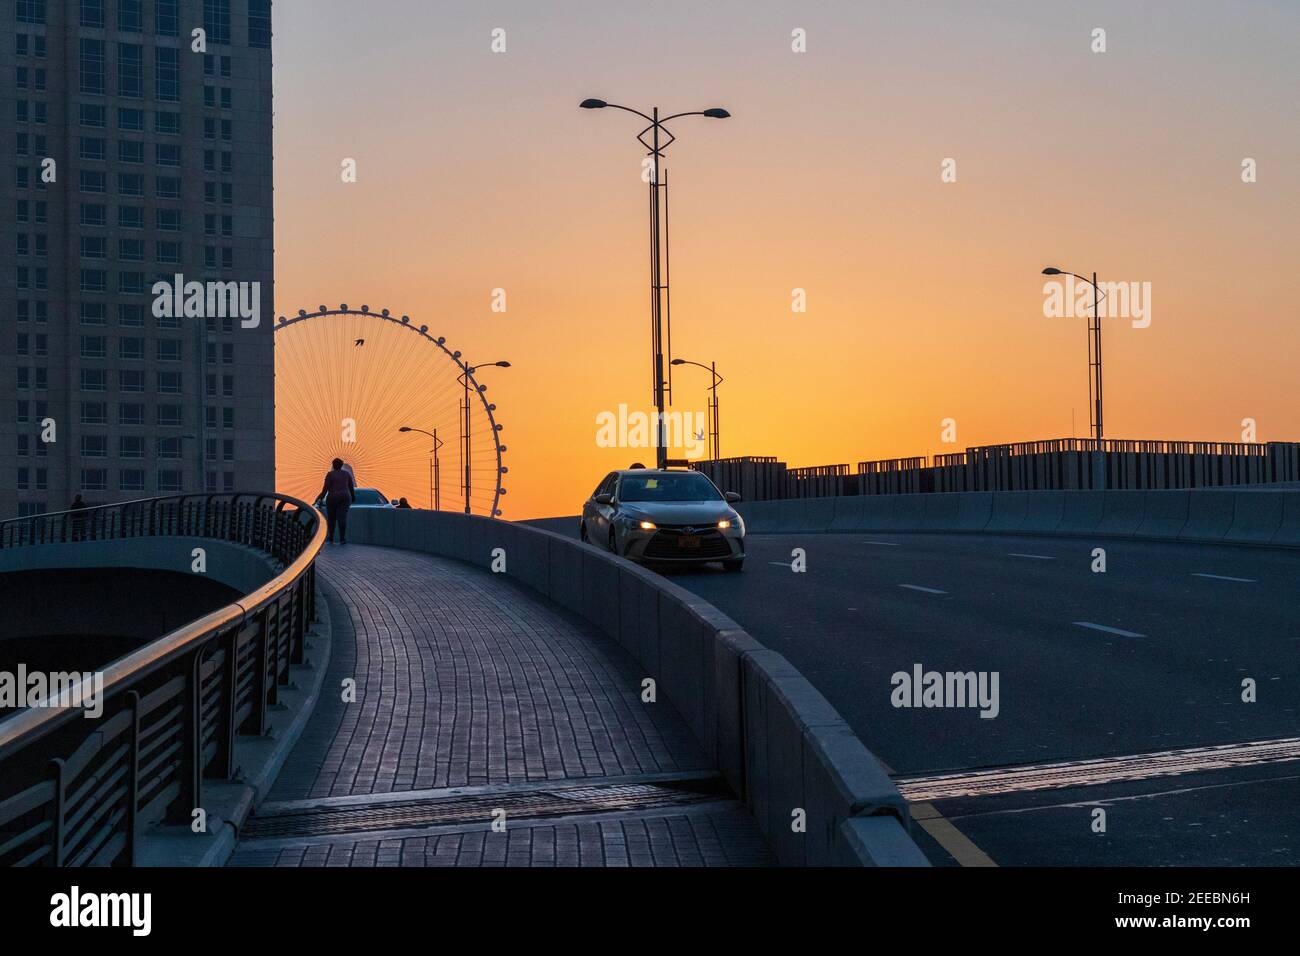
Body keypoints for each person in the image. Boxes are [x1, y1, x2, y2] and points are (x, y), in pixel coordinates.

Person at [318, 458, 356, 545]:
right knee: (342, 518)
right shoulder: (347, 474)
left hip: (333, 497)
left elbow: (325, 488)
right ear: (341, 465)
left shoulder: (330, 474)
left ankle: (331, 538)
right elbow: (351, 487)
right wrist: (353, 496)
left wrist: (321, 498)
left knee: (332, 518)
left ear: (333, 465)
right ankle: (342, 539)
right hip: (345, 497)